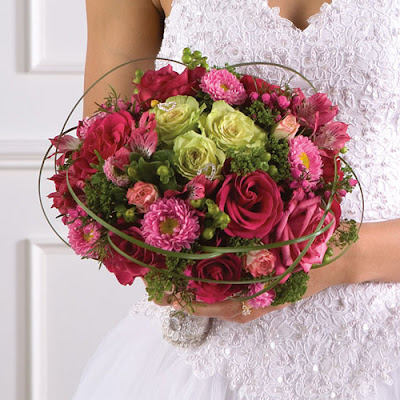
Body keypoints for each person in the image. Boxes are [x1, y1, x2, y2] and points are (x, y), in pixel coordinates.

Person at [73, 0, 400, 398]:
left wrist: (338, 258)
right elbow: (99, 168)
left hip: (383, 339)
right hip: (203, 353)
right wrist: (184, 264)